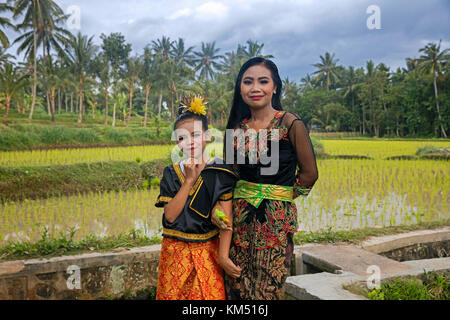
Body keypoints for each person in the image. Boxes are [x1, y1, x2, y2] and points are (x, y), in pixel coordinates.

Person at [223, 57, 319, 300]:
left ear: (275, 87)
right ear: (240, 88)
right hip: (238, 223)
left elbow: (309, 174)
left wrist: (280, 195)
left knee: (268, 290)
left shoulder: (289, 123)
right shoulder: (234, 130)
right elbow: (229, 177)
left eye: (263, 81)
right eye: (248, 82)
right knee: (237, 287)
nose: (255, 88)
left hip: (275, 222)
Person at [155, 94, 241, 300]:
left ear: (207, 135)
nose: (190, 142)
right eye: (182, 137)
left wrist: (223, 256)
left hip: (207, 253)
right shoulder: (171, 173)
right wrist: (189, 181)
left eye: (195, 134)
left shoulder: (220, 172)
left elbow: (226, 219)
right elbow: (171, 216)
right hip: (175, 253)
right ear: (178, 142)